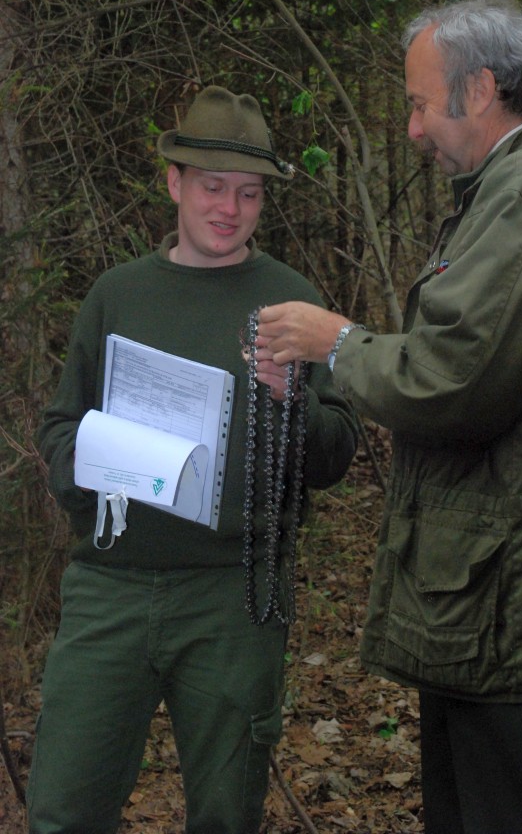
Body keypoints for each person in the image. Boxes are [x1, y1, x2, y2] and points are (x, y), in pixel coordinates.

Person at [257, 0, 522, 834]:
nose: (413, 129)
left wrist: (339, 345)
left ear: (478, 89)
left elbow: (452, 381)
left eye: (418, 103)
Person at [28, 85, 357, 834]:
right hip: (110, 588)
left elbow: (336, 454)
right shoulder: (118, 295)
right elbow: (59, 429)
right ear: (174, 183)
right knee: (64, 809)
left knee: (225, 813)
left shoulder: (289, 302)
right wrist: (95, 465)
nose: (229, 208)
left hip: (234, 595)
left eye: (248, 193)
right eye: (212, 187)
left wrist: (292, 401)